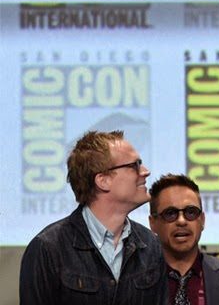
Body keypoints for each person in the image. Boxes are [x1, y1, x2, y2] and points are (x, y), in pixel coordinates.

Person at [19, 130, 167, 305]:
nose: (145, 172)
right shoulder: (48, 249)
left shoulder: (151, 245)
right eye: (134, 165)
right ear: (103, 180)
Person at [149, 173, 219, 305]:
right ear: (153, 223)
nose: (181, 221)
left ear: (202, 220)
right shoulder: (133, 279)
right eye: (170, 213)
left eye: (191, 212)